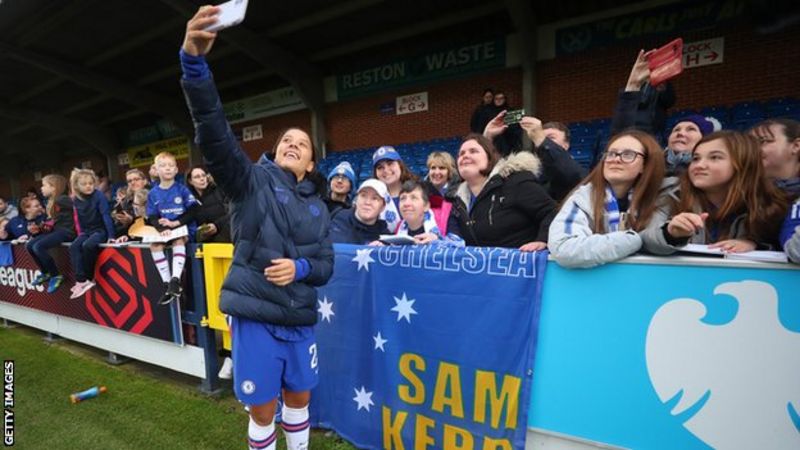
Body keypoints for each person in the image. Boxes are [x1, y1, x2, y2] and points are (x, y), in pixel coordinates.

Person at [181, 8, 335, 450]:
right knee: (263, 407)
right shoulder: (248, 182)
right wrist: (193, 63)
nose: (291, 143)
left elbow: (326, 266)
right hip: (256, 317)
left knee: (300, 397)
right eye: (286, 139)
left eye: (301, 143)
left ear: (310, 164)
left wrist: (301, 268)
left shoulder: (321, 208)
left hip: (301, 318)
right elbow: (213, 132)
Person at [642, 131, 789, 254]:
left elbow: (788, 251)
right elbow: (644, 240)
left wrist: (755, 246)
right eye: (696, 158)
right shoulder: (671, 195)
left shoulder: (771, 204)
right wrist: (671, 234)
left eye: (715, 157)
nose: (700, 165)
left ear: (744, 163)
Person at [549, 131, 668, 268]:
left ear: (645, 165)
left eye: (628, 154)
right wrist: (633, 239)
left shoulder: (661, 198)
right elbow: (564, 248)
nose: (615, 159)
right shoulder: (583, 198)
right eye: (611, 153)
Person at [446, 133, 556, 250]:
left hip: (522, 263)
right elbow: (453, 233)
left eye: (473, 151)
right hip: (480, 266)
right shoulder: (455, 200)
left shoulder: (516, 181)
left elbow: (551, 212)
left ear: (490, 159)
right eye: (461, 154)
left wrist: (543, 240)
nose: (465, 156)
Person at [146, 151, 199, 305]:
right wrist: (162, 229)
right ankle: (167, 284)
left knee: (178, 241)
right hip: (165, 231)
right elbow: (152, 216)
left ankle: (175, 280)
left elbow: (193, 210)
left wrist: (176, 223)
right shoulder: (153, 193)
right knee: (155, 246)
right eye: (163, 166)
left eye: (171, 166)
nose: (167, 169)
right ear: (156, 170)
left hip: (182, 228)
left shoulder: (181, 189)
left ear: (176, 170)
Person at [68, 169, 116, 299]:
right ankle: (80, 281)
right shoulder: (76, 199)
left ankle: (89, 278)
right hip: (87, 231)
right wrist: (80, 234)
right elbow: (78, 220)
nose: (88, 186)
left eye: (90, 183)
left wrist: (111, 236)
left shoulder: (99, 195)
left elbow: (105, 215)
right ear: (77, 186)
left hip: (100, 230)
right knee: (74, 246)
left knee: (88, 246)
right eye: (84, 184)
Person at [27, 174, 76, 293]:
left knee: (38, 246)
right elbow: (54, 221)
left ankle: (56, 275)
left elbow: (77, 207)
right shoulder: (51, 201)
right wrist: (40, 228)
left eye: (44, 185)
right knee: (29, 245)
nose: (41, 188)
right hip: (57, 230)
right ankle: (46, 272)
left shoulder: (62, 199)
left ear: (54, 187)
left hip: (66, 232)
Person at [396, 180, 463, 246]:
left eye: (414, 198)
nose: (406, 203)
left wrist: (437, 240)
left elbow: (460, 244)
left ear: (426, 206)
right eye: (403, 198)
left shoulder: (445, 218)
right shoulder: (399, 227)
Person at [749, 118, 800, 198]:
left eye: (763, 141)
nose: (753, 149)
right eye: (749, 145)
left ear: (796, 146)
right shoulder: (740, 197)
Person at [329, 179, 389, 245]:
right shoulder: (340, 220)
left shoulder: (385, 236)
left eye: (374, 198)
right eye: (363, 196)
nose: (367, 202)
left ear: (382, 207)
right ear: (356, 200)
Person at [372, 145, 417, 232]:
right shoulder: (373, 199)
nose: (385, 170)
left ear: (400, 165)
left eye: (390, 163)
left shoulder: (419, 190)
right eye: (380, 167)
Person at [186, 165, 232, 242]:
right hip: (207, 243)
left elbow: (233, 213)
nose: (202, 179)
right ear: (190, 181)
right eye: (197, 177)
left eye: (203, 175)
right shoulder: (189, 200)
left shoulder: (219, 191)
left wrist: (216, 226)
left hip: (229, 236)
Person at [113, 169, 150, 237]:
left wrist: (131, 220)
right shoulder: (125, 201)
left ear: (144, 181)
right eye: (129, 181)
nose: (133, 183)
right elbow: (119, 229)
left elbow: (152, 221)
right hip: (131, 235)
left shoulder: (152, 196)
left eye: (136, 179)